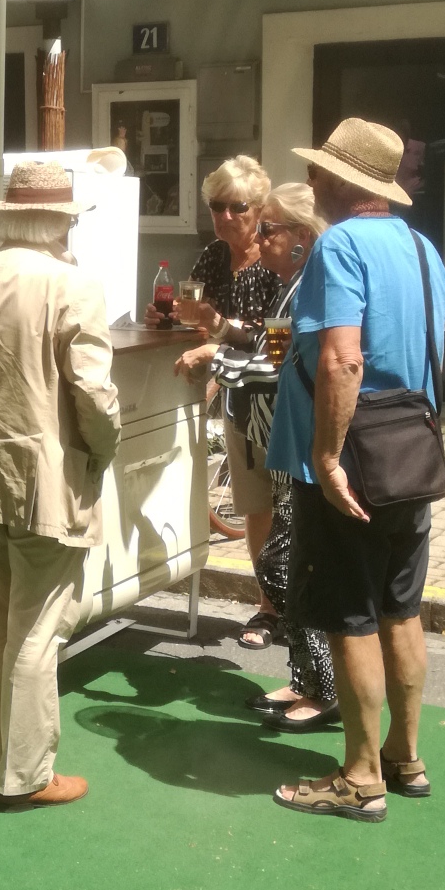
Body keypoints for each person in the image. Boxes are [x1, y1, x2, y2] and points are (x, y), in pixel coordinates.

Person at [265, 118, 445, 823]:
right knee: (402, 609)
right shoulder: (422, 249)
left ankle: (360, 775)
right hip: (412, 452)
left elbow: (344, 357)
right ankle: (405, 758)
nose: (313, 182)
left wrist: (327, 456)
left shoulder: (339, 246)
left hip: (353, 459)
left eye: (320, 172)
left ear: (344, 182)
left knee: (351, 615)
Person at [0, 161, 120, 808]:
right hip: (45, 479)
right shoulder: (74, 286)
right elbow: (93, 393)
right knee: (38, 628)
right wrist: (104, 448)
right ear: (61, 221)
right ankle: (28, 772)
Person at [181, 183, 337, 730]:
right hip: (286, 438)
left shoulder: (308, 283)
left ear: (299, 237)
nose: (258, 236)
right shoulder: (292, 284)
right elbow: (270, 345)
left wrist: (216, 362)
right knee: (282, 559)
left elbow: (277, 365)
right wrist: (223, 336)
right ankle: (305, 681)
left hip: (299, 442)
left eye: (266, 227)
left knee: (287, 561)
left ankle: (324, 687)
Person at [161, 155, 281, 648]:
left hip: (280, 400)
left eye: (237, 207)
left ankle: (302, 612)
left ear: (260, 210)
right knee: (255, 506)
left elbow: (281, 338)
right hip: (236, 398)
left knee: (288, 506)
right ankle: (269, 608)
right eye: (216, 206)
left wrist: (217, 342)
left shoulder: (279, 255)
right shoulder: (212, 255)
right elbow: (199, 318)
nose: (225, 216)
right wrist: (171, 316)